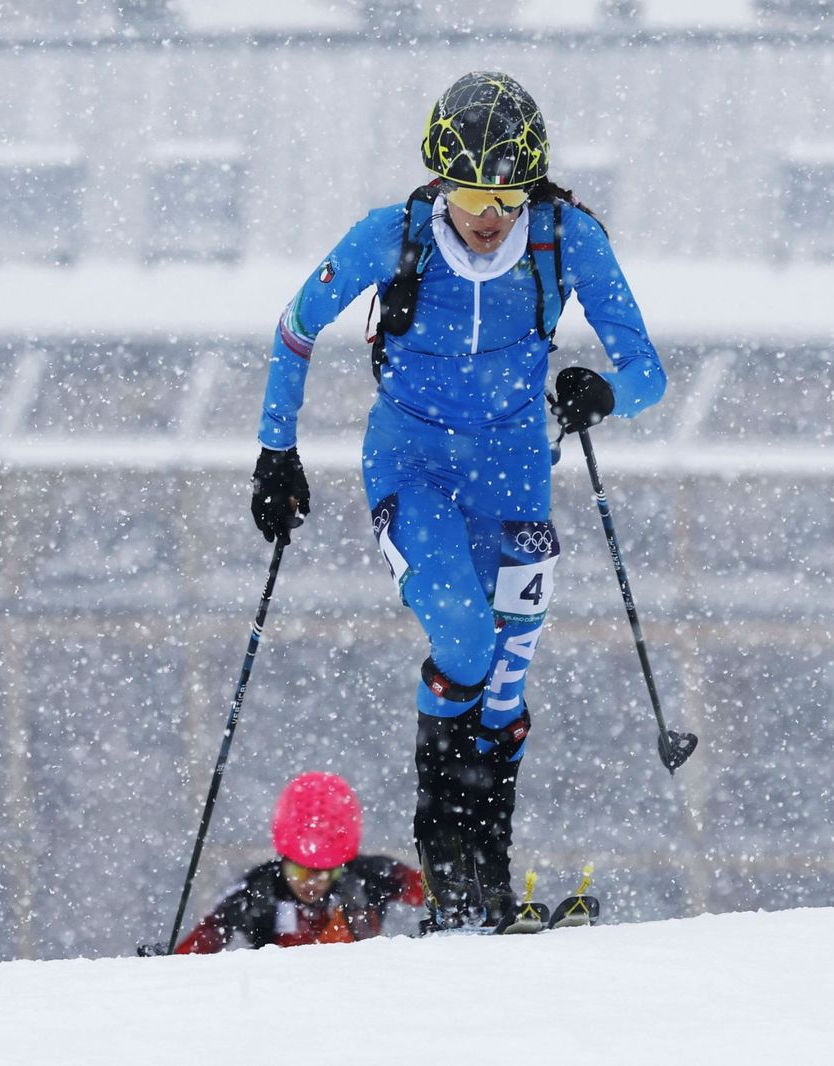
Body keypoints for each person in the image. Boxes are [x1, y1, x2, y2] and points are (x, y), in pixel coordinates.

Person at [250, 72, 665, 931]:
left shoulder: (564, 239)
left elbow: (649, 372)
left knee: (507, 678)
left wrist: (603, 393)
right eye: (473, 194)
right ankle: (448, 869)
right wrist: (276, 450)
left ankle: (488, 881)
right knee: (466, 639)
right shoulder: (390, 236)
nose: (490, 216)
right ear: (441, 181)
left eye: (508, 196)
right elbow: (296, 325)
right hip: (412, 465)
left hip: (514, 469)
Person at [171, 772, 422, 953]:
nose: (313, 883)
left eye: (327, 874)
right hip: (285, 1006)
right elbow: (205, 937)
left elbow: (434, 893)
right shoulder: (258, 890)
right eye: (301, 872)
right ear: (284, 860)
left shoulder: (373, 876)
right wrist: (170, 963)